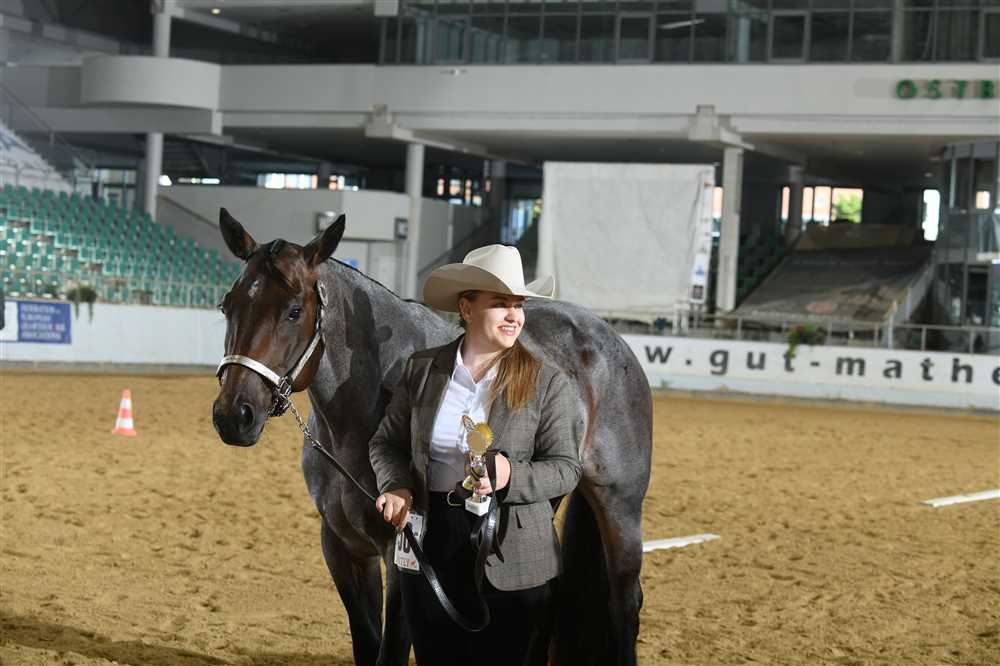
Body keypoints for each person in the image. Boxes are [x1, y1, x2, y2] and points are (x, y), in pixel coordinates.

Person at [369, 244, 582, 664]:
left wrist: (509, 476)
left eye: (518, 306)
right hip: (429, 544)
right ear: (466, 309)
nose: (514, 316)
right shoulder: (422, 369)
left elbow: (566, 469)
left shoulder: (548, 382)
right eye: (500, 303)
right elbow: (386, 443)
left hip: (514, 556)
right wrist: (396, 485)